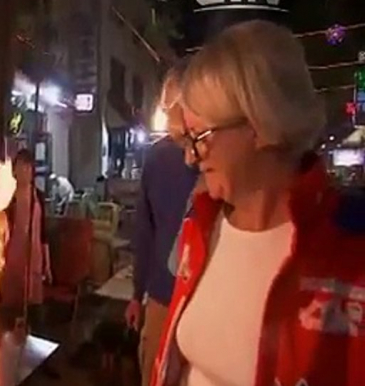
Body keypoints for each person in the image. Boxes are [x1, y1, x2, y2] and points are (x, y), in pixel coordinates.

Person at [152, 21, 365, 386]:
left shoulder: (350, 253)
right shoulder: (200, 227)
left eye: (200, 137)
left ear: (260, 124)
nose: (190, 158)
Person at [123, 61, 199, 386]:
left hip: (202, 303)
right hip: (160, 297)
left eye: (169, 108)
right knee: (155, 374)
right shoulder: (157, 158)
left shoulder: (214, 160)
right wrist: (137, 294)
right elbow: (145, 231)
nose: (166, 118)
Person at [0, 149, 52, 329]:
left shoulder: (39, 196)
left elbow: (44, 232)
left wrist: (47, 263)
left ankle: (34, 339)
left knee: (33, 302)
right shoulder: (7, 197)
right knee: (12, 301)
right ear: (14, 171)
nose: (24, 172)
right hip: (13, 255)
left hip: (35, 255)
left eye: (28, 168)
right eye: (20, 168)